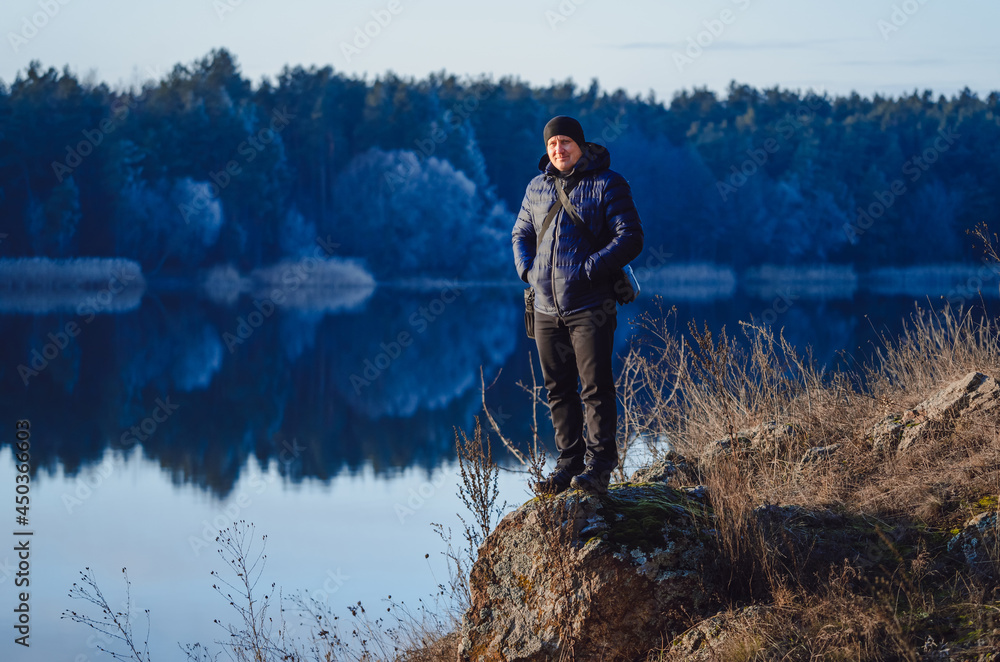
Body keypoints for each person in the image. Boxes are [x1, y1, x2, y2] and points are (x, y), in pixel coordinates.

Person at [512, 115, 643, 495]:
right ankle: (568, 464)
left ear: (581, 146)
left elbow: (631, 236)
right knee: (558, 390)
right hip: (544, 309)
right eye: (552, 144)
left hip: (590, 305)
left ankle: (599, 468)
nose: (558, 150)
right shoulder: (536, 187)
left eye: (565, 142)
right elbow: (520, 232)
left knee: (596, 388)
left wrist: (592, 267)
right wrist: (527, 270)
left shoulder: (608, 183)